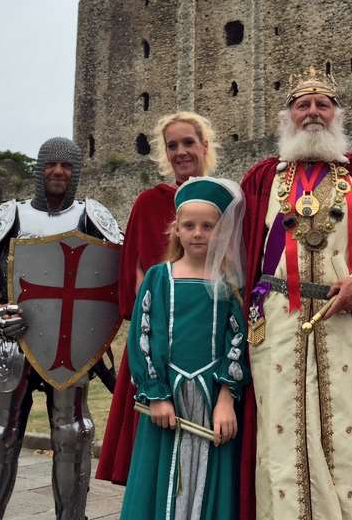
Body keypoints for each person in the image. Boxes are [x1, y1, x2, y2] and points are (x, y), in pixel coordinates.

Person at [238, 67, 352, 520]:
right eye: (303, 105)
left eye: (323, 105)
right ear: (288, 117)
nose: (313, 113)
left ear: (337, 114)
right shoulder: (261, 180)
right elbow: (238, 260)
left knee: (351, 441)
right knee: (282, 445)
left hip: (347, 325)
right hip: (276, 327)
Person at [0, 137, 122, 520]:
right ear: (39, 169)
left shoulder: (94, 215)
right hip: (11, 340)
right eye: (51, 165)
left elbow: (122, 274)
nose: (59, 172)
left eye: (67, 167)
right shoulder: (9, 215)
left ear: (76, 173)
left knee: (73, 435)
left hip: (70, 344)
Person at [98, 112, 220, 485]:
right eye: (172, 145)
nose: (181, 152)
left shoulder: (228, 202)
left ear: (205, 147)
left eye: (188, 143)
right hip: (162, 346)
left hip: (214, 344)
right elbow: (135, 288)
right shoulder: (151, 203)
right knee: (155, 460)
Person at [120, 176, 249, 520]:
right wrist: (157, 395)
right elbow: (142, 338)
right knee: (163, 481)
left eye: (208, 226)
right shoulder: (159, 277)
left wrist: (225, 399)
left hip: (210, 401)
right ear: (175, 229)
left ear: (221, 232)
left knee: (207, 481)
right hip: (168, 402)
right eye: (189, 225)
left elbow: (236, 341)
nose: (197, 233)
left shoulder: (227, 285)